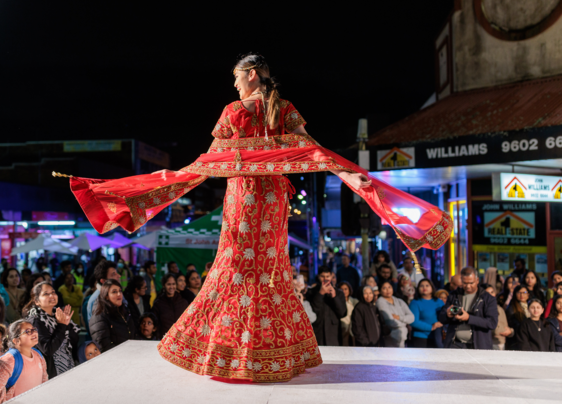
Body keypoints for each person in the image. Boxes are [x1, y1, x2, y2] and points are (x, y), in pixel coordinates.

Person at [71, 54, 447, 382]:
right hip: (273, 200)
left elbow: (208, 161)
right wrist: (344, 171)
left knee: (233, 268)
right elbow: (311, 149)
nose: (234, 85)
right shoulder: (284, 109)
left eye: (237, 77)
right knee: (271, 270)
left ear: (252, 73)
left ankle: (226, 353)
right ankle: (276, 353)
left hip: (245, 197)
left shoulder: (234, 113)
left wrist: (157, 187)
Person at [0, 320, 48, 404]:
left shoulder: (38, 354)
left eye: (34, 329)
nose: (34, 333)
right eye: (28, 331)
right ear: (16, 341)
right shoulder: (8, 361)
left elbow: (44, 380)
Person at [23, 282, 78, 378]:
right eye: (46, 294)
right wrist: (61, 325)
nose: (52, 295)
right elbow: (48, 349)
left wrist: (67, 324)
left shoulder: (58, 315)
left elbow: (73, 342)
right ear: (37, 301)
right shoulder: (35, 321)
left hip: (68, 366)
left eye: (53, 292)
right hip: (51, 373)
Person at [438, 267, 498, 350]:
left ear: (477, 280)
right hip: (455, 344)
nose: (468, 286)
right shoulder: (454, 295)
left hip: (478, 346)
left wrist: (469, 318)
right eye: (464, 283)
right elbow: (441, 318)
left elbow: (492, 323)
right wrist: (448, 315)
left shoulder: (488, 299)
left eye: (471, 283)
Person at [89, 280, 136, 352]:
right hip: (115, 359)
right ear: (106, 296)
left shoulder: (124, 311)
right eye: (114, 292)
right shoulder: (99, 316)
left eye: (120, 291)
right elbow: (104, 346)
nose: (119, 294)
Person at [306, 266, 347, 346]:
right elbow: (312, 310)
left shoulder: (339, 293)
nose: (325, 279)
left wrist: (334, 297)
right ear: (318, 276)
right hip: (317, 332)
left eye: (327, 276)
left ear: (331, 276)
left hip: (333, 334)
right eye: (322, 276)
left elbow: (342, 313)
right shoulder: (311, 292)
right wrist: (320, 294)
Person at [376, 281, 414, 347]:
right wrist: (405, 322)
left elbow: (412, 317)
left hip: (403, 336)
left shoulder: (399, 301)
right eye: (384, 288)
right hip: (390, 336)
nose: (388, 290)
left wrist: (399, 317)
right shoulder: (380, 302)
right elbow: (390, 322)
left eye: (389, 287)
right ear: (380, 291)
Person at [408, 279, 443, 348]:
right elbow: (413, 321)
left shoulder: (439, 302)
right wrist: (431, 327)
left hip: (438, 336)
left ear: (432, 288)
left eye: (427, 285)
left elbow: (444, 316)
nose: (424, 288)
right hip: (420, 337)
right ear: (418, 289)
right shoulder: (415, 303)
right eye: (421, 286)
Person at [483, 284, 513, 350]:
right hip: (492, 343)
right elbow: (494, 329)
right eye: (487, 293)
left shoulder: (498, 307)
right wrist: (511, 331)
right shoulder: (483, 308)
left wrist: (510, 331)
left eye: (492, 292)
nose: (491, 295)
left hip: (501, 342)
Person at [505, 284, 531, 350]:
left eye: (524, 292)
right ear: (515, 294)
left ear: (528, 294)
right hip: (518, 341)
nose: (522, 295)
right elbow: (514, 325)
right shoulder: (512, 308)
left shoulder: (531, 306)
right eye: (519, 292)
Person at [337, 281, 357, 346]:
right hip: (342, 327)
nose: (344, 291)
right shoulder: (337, 302)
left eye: (345, 289)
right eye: (341, 289)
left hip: (352, 326)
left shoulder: (354, 301)